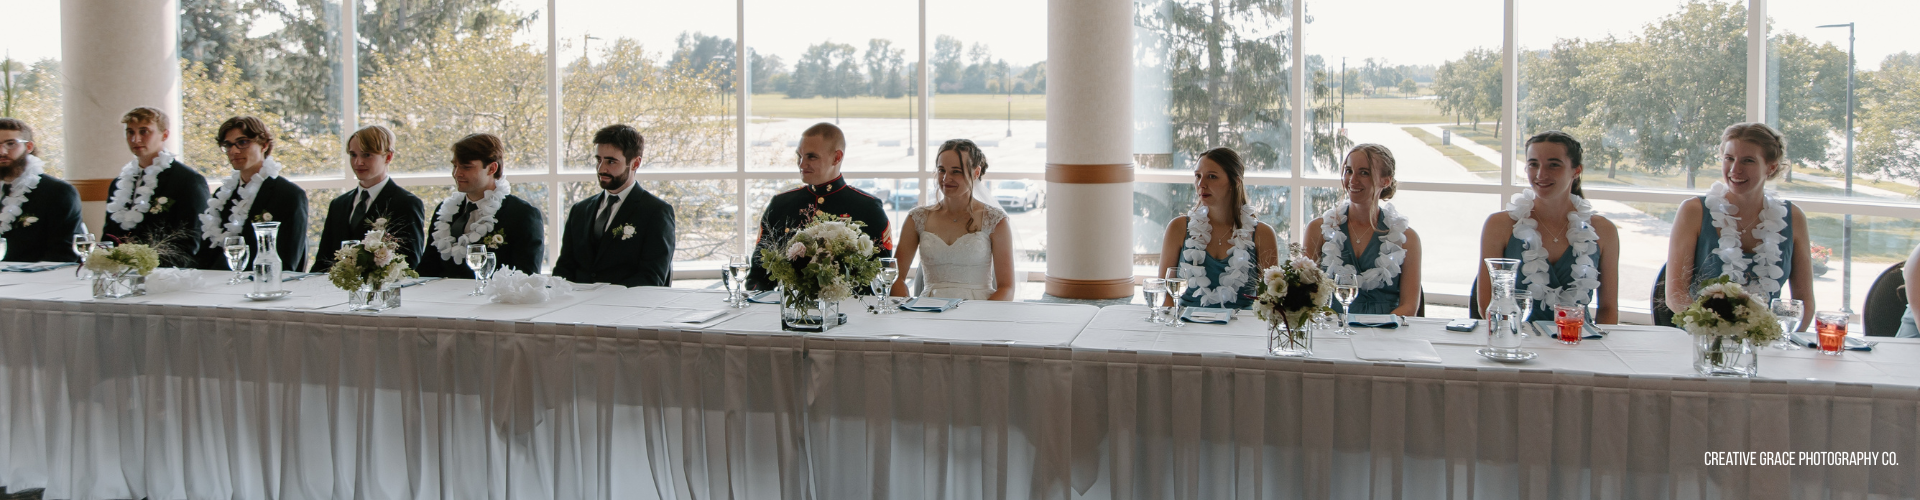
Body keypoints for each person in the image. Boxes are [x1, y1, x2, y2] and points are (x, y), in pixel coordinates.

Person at [1665, 122, 1814, 331]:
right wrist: (1717, 331)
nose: (1735, 169)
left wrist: (1784, 338)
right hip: (1704, 341)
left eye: (1748, 160)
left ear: (1771, 167)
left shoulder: (1794, 217)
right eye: (1729, 158)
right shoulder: (1693, 211)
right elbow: (1676, 295)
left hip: (1766, 346)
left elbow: (1803, 301)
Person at [1475, 131, 1621, 323]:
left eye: (1554, 165)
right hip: (1517, 341)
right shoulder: (1499, 225)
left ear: (1576, 171)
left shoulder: (1604, 230)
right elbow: (1486, 303)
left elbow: (1609, 308)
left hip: (1577, 342)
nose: (1540, 174)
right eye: (1533, 164)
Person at [745, 122, 892, 290]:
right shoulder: (780, 204)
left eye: (811, 157)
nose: (801, 164)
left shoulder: (868, 207)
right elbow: (758, 274)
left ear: (836, 157)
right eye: (799, 156)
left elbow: (881, 273)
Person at [1302, 143, 1423, 316]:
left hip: (1385, 333)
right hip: (1331, 332)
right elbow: (1304, 295)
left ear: (1386, 180)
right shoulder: (1318, 229)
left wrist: (1377, 332)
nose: (1353, 180)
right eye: (1349, 171)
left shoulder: (1407, 238)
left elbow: (1409, 306)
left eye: (1364, 173)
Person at [889, 139, 1015, 300]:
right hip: (928, 311)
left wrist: (982, 319)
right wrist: (908, 309)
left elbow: (1007, 288)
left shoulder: (996, 220)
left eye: (956, 171)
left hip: (979, 312)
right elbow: (895, 277)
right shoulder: (917, 218)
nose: (946, 178)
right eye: (942, 170)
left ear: (976, 173)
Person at [1155, 147, 1280, 309]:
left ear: (1235, 182)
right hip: (1187, 327)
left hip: (1242, 328)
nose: (1201, 184)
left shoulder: (1262, 233)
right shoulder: (1178, 228)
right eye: (1198, 176)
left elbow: (1271, 301)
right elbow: (1166, 296)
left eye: (1212, 177)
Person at [553, 124, 676, 288]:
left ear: (635, 163)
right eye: (599, 160)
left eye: (611, 161)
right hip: (575, 307)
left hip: (628, 308)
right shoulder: (579, 210)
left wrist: (602, 297)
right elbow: (564, 269)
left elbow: (651, 278)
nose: (601, 168)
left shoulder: (656, 212)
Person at [417, 133, 545, 278]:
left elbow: (526, 277)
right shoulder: (445, 211)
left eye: (466, 167)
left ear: (492, 169)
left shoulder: (522, 214)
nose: (456, 173)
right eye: (454, 166)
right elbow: (427, 269)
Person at [193, 116, 309, 271]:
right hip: (219, 286)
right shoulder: (222, 195)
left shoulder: (289, 195)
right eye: (228, 145)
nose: (234, 151)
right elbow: (206, 256)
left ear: (264, 145)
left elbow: (288, 261)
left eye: (242, 142)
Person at [102, 107, 209, 267]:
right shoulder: (118, 184)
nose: (135, 139)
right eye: (130, 132)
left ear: (165, 135)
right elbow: (109, 238)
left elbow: (189, 242)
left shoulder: (188, 181)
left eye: (144, 132)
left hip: (167, 274)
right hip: (120, 275)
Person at [312, 125, 427, 272]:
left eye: (367, 155)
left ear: (388, 156)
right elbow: (322, 261)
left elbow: (409, 263)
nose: (358, 162)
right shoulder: (338, 204)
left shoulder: (406, 203)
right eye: (353, 155)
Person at [0, 118, 83, 262]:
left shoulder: (58, 192)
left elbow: (64, 253)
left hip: (41, 280)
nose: (2, 151)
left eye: (11, 144)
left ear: (29, 147)